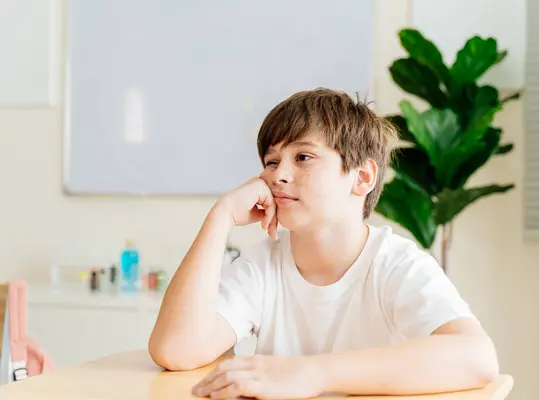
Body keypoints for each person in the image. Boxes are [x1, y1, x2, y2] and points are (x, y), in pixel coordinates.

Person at [148, 88, 499, 399]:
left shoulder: (396, 264)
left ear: (361, 178)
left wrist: (311, 374)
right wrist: (220, 216)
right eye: (271, 161)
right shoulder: (262, 265)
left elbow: (477, 357)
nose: (277, 175)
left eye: (303, 157)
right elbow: (176, 351)